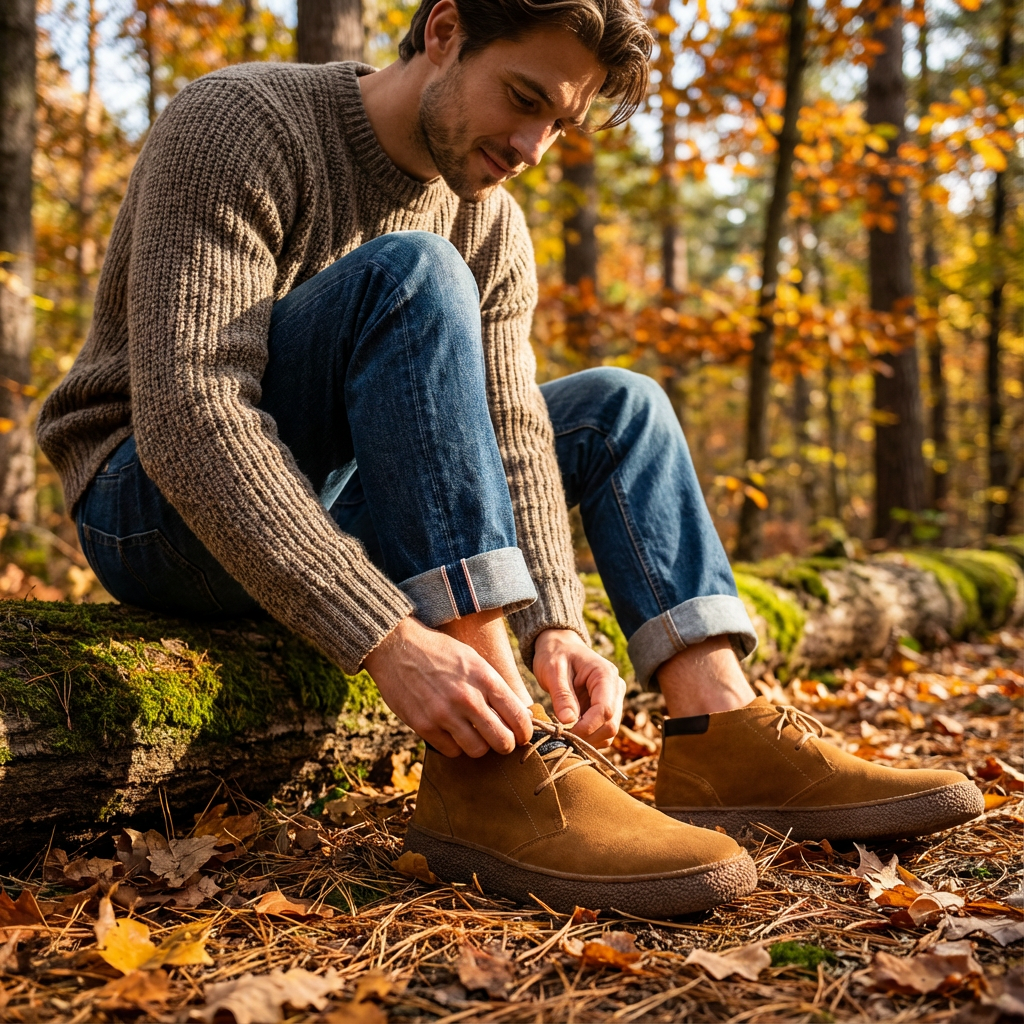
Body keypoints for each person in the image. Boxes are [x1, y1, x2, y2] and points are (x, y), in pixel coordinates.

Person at [38, 0, 982, 916]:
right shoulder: (241, 123)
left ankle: (718, 727)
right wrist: (387, 638)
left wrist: (556, 625)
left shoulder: (490, 217)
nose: (534, 148)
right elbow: (191, 412)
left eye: (560, 125)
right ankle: (495, 759)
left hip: (339, 496)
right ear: (444, 32)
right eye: (525, 98)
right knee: (412, 273)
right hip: (152, 501)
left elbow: (514, 432)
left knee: (618, 405)